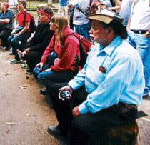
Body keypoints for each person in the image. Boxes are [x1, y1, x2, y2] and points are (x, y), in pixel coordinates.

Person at [47, 12, 144, 144]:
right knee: (58, 92)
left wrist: (83, 108)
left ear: (109, 32)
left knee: (80, 123)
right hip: (94, 92)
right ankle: (64, 129)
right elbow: (86, 71)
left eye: (95, 28)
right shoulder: (98, 47)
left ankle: (76, 136)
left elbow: (108, 92)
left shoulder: (125, 56)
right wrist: (71, 86)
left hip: (115, 106)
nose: (90, 31)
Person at [33, 15, 80, 85]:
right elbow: (49, 48)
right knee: (36, 70)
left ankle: (56, 89)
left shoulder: (71, 40)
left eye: (52, 22)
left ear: (57, 25)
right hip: (58, 63)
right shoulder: (56, 34)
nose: (49, 23)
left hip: (68, 69)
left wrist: (53, 68)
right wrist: (42, 62)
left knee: (41, 76)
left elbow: (67, 62)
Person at [127, 0, 150, 97]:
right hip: (132, 34)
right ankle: (133, 87)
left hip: (143, 36)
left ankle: (144, 89)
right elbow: (131, 16)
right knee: (130, 62)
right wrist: (128, 28)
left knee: (142, 64)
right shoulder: (136, 1)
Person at [16, 6, 55, 70]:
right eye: (39, 15)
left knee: (31, 55)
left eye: (42, 15)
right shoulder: (40, 25)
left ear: (48, 16)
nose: (40, 16)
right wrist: (28, 46)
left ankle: (34, 68)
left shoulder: (50, 28)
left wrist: (30, 49)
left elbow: (45, 44)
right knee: (22, 47)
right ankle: (29, 64)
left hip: (43, 49)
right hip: (37, 45)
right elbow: (34, 38)